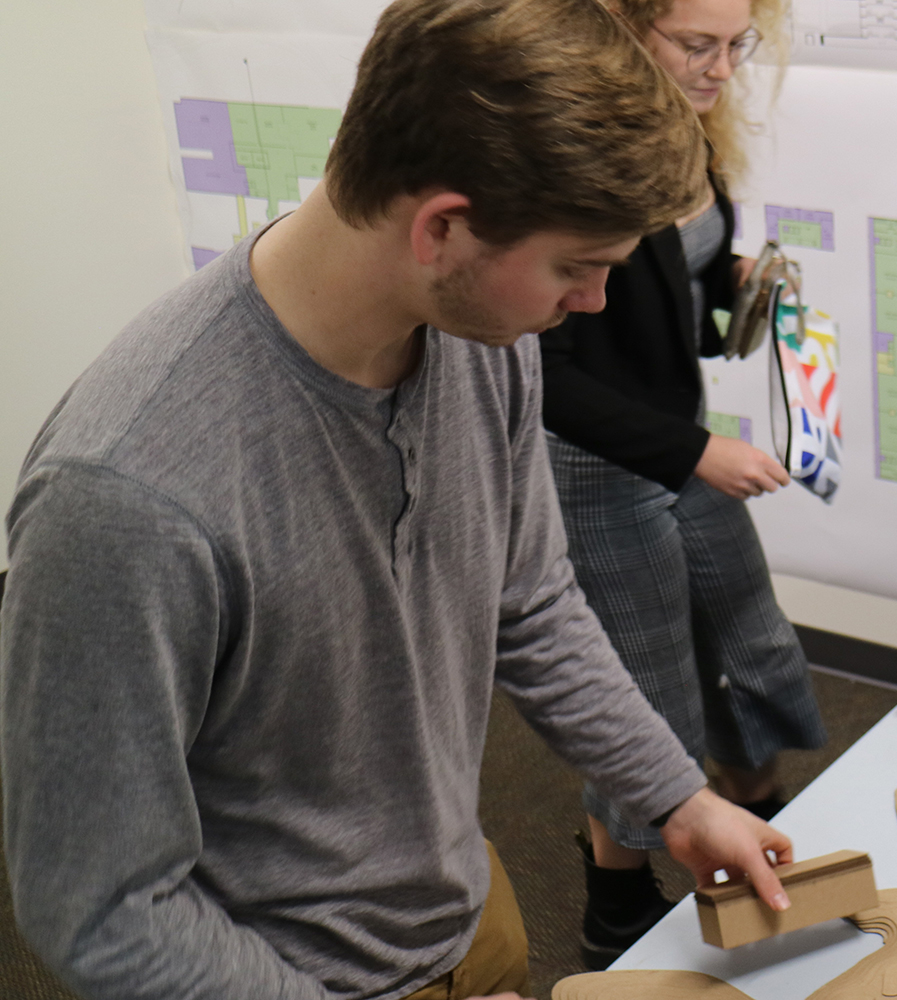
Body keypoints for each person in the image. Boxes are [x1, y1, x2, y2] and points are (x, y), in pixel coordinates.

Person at [0, 0, 794, 997]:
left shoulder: (477, 341)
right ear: (442, 229)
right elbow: (106, 916)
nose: (589, 303)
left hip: (462, 916)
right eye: (575, 268)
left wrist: (677, 796)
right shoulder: (129, 497)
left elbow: (530, 602)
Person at [536, 0, 828, 969]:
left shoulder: (688, 140)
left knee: (751, 641)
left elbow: (675, 300)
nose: (720, 70)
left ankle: (757, 817)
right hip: (598, 461)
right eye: (695, 46)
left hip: (670, 436)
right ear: (623, 31)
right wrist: (694, 453)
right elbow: (549, 375)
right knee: (645, 691)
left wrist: (732, 284)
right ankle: (616, 897)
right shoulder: (565, 160)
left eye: (735, 46)